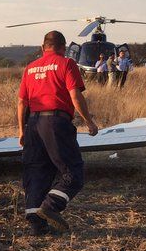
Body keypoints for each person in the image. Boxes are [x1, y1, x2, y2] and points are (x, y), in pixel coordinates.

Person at [17, 31, 98, 235]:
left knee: (36, 172)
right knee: (73, 172)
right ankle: (51, 206)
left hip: (33, 123)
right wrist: (89, 121)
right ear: (63, 48)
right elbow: (75, 95)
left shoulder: (30, 68)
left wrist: (21, 130)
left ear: (43, 47)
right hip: (55, 122)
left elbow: (22, 103)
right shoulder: (67, 63)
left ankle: (37, 224)